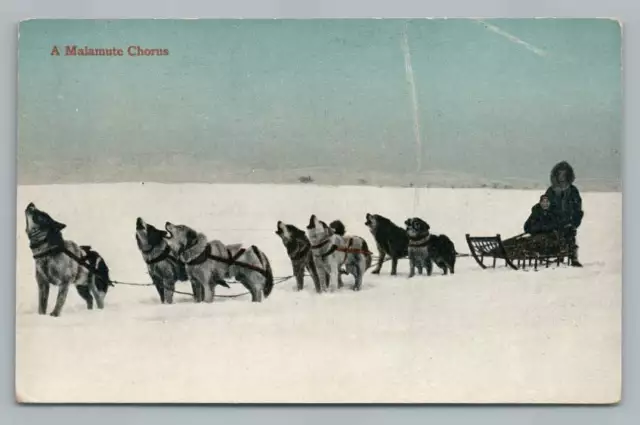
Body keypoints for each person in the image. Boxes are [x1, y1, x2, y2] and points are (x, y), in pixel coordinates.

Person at [544, 161, 584, 267]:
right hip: (554, 220)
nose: (561, 176)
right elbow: (545, 205)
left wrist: (575, 221)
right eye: (559, 173)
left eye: (564, 173)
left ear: (568, 175)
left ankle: (573, 258)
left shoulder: (573, 190)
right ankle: (559, 256)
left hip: (569, 221)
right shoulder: (551, 190)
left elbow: (578, 208)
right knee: (555, 239)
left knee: (570, 238)